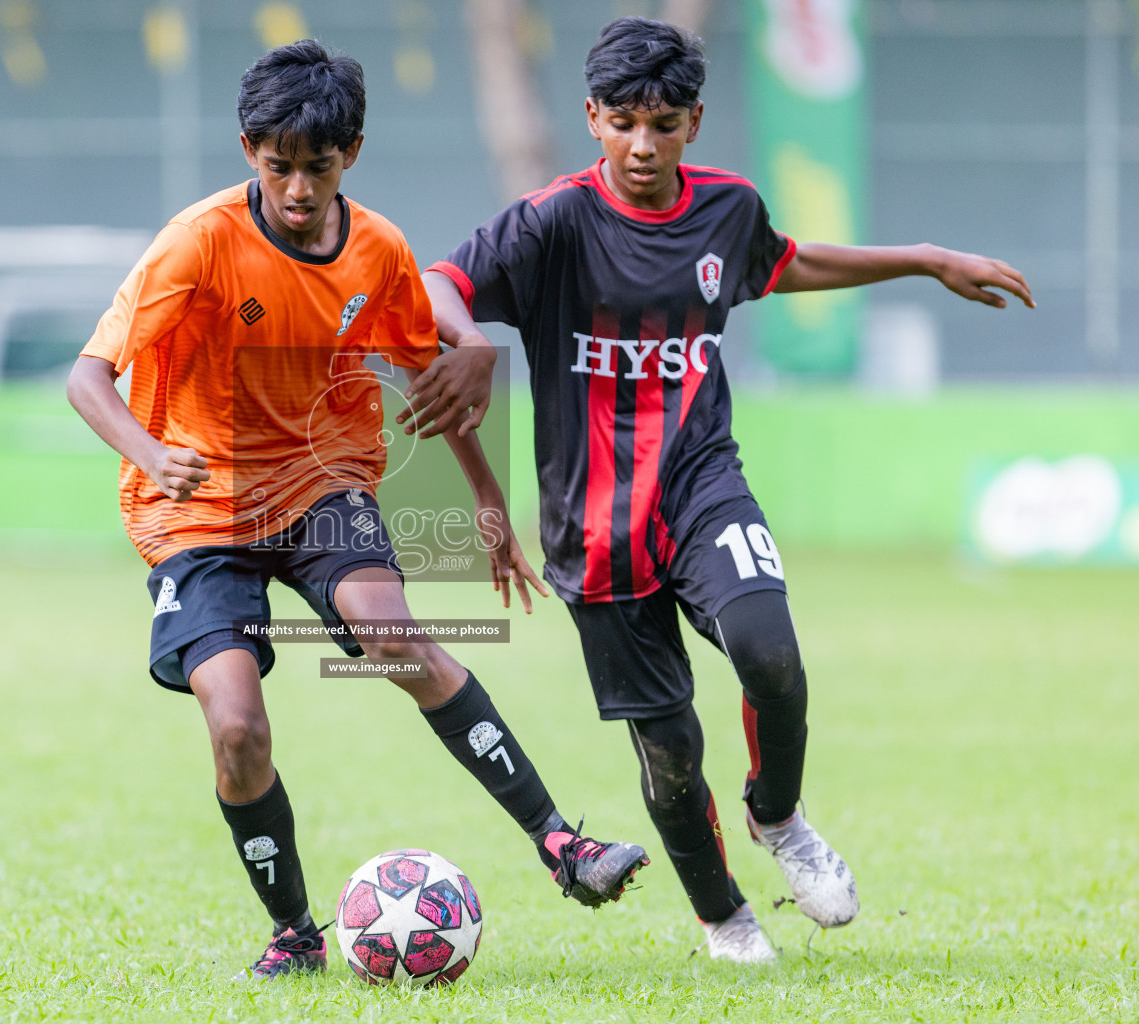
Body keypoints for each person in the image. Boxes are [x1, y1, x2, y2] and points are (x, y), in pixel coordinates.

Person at [416, 17, 1033, 962]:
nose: (642, 144)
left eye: (663, 123)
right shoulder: (551, 222)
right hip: (591, 524)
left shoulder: (727, 209)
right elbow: (438, 281)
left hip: (702, 481)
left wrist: (925, 258)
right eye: (623, 122)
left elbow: (786, 265)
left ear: (694, 123)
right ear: (591, 117)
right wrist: (467, 344)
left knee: (769, 652)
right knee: (668, 751)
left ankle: (777, 818)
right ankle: (723, 915)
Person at [67, 40, 650, 982]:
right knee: (237, 730)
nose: (299, 189)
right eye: (279, 166)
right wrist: (149, 452)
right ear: (249, 149)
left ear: (353, 154)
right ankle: (295, 931)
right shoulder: (198, 240)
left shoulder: (375, 250)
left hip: (319, 483)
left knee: (396, 634)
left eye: (320, 167)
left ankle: (561, 846)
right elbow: (87, 378)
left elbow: (431, 374)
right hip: (196, 511)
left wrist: (489, 503)